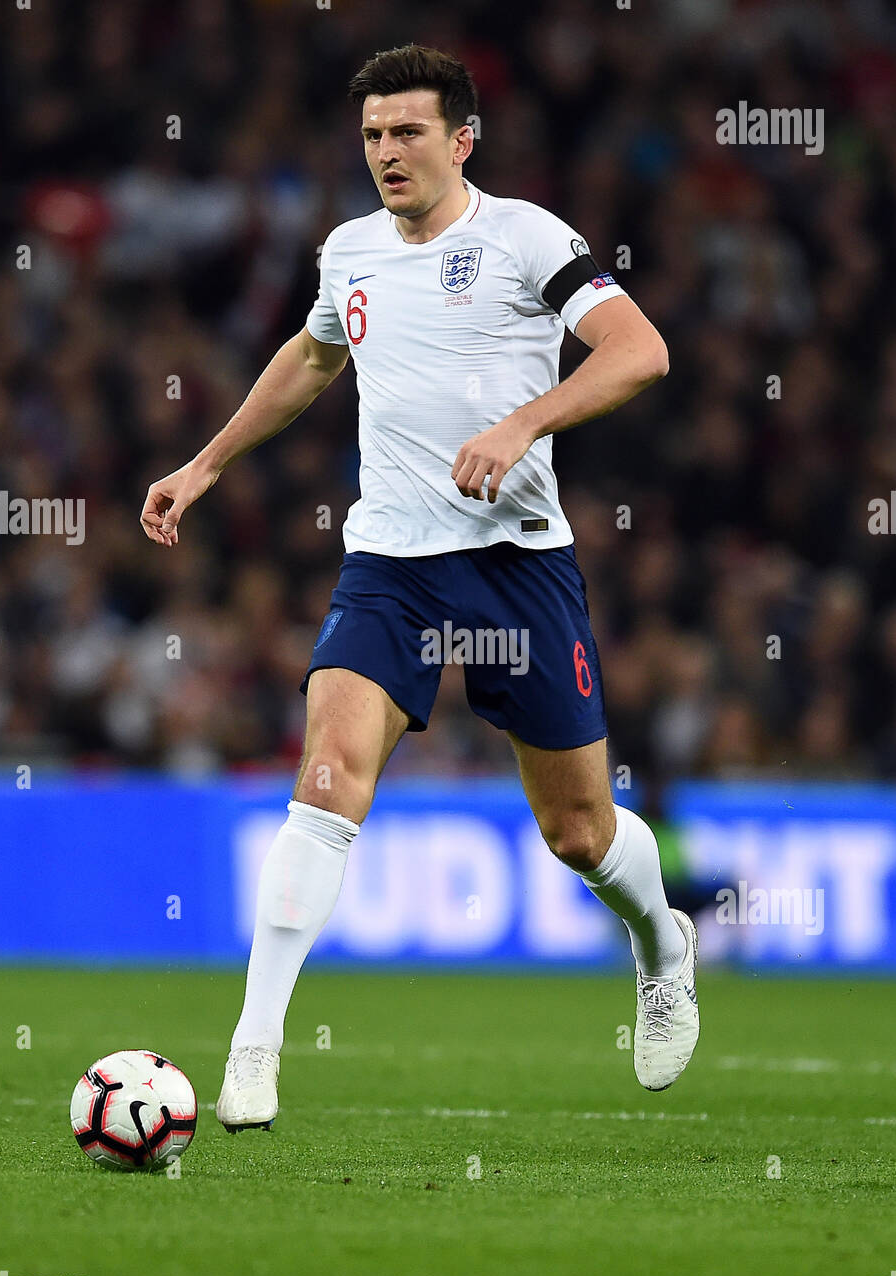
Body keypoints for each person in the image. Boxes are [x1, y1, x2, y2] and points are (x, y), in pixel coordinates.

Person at [139, 44, 699, 1130]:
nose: (387, 152)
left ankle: (659, 944)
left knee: (579, 833)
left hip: (517, 564)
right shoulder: (348, 251)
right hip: (389, 565)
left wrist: (522, 423)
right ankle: (253, 1048)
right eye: (372, 136)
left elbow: (641, 352)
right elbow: (313, 359)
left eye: (407, 132)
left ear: (462, 140)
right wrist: (205, 464)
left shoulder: (527, 238)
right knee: (325, 778)